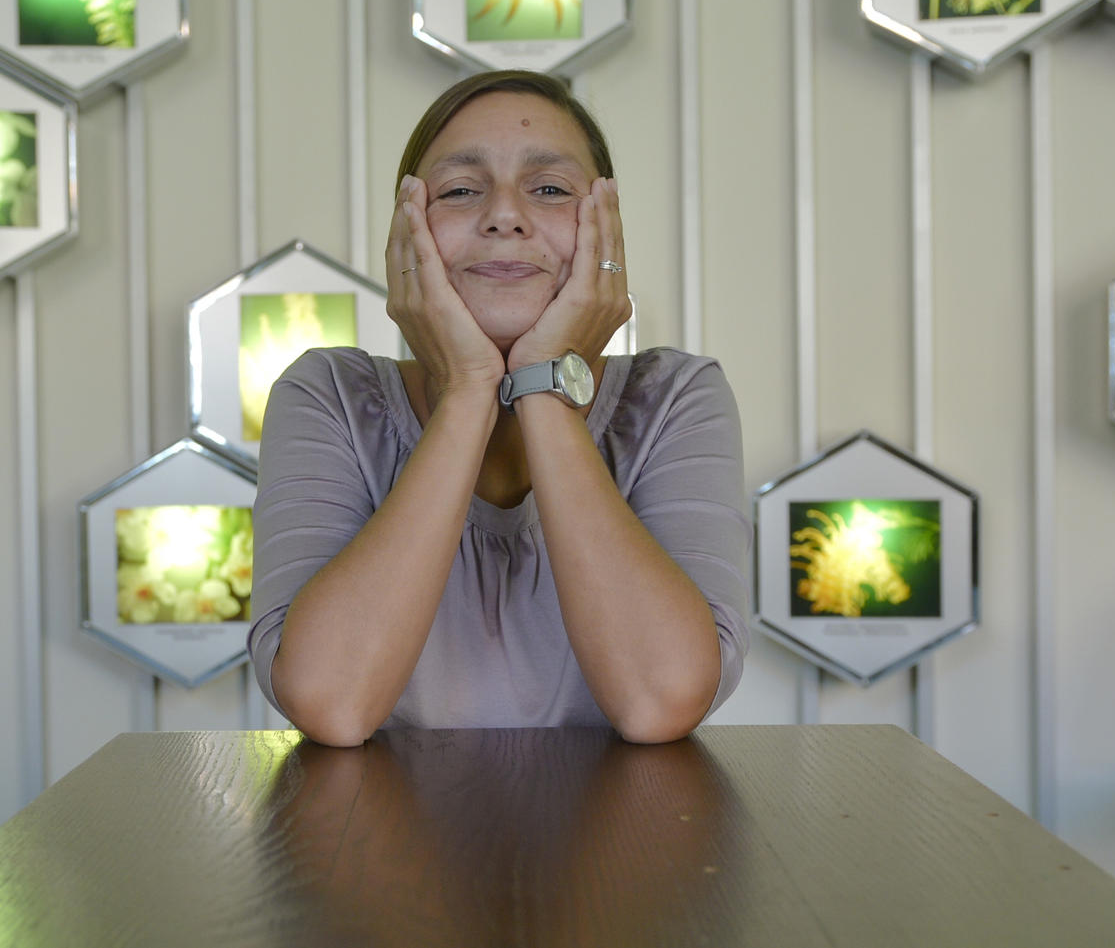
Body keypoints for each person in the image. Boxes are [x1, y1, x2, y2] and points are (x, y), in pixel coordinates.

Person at [247, 69, 751, 747]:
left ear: (606, 232)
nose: (504, 215)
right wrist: (467, 389)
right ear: (407, 231)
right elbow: (332, 701)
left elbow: (659, 699)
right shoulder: (327, 395)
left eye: (548, 188)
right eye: (460, 190)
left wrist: (543, 385)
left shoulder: (676, 398)